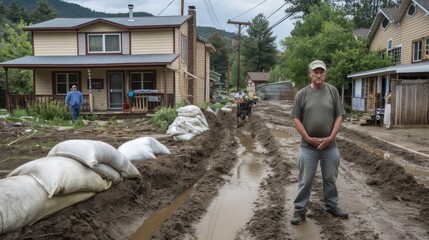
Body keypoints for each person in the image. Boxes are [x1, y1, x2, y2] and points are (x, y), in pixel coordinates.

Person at [290, 60, 348, 225]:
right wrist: (308, 138)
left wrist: (331, 137)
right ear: (310, 73)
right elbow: (295, 118)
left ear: (325, 74)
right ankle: (299, 211)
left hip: (330, 146)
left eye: (321, 72)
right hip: (308, 147)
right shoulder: (302, 94)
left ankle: (331, 205)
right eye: (315, 72)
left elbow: (339, 116)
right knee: (305, 180)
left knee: (330, 178)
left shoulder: (332, 91)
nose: (318, 75)